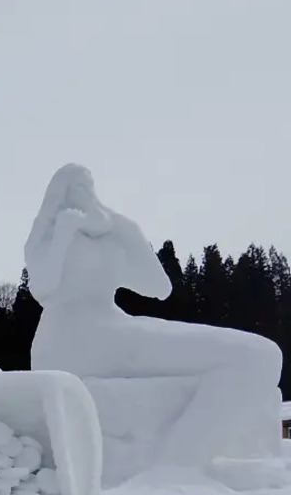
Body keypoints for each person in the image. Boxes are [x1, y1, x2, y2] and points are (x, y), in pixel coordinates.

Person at [25, 164, 282, 472]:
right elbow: (43, 288)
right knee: (256, 356)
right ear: (59, 196)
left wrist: (128, 233)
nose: (84, 193)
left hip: (114, 326)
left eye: (88, 185)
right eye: (75, 187)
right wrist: (63, 236)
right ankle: (173, 470)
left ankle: (174, 468)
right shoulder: (47, 237)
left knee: (260, 355)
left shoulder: (113, 234)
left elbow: (158, 288)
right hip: (71, 341)